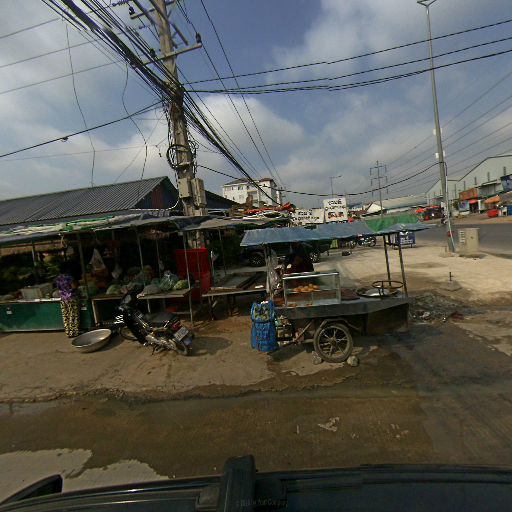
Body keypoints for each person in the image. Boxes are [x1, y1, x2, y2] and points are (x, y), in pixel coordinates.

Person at [55, 262, 80, 338]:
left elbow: (58, 288)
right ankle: (74, 332)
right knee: (73, 315)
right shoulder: (69, 277)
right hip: (71, 297)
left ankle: (68, 332)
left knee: (66, 315)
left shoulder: (58, 278)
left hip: (63, 298)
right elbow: (74, 286)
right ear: (67, 269)